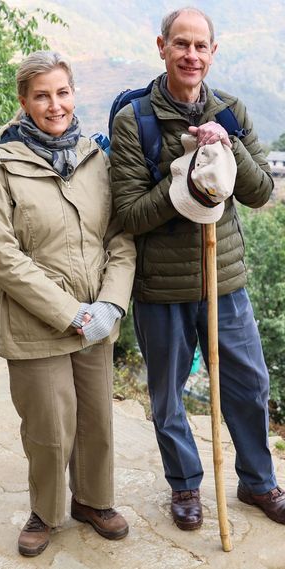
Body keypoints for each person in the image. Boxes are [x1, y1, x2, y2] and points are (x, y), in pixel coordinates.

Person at [110, 7, 285, 531]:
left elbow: (260, 193)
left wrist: (225, 147)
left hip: (222, 279)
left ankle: (258, 482)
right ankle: (185, 486)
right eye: (180, 44)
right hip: (160, 287)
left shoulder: (229, 109)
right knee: (167, 396)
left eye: (200, 46)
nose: (191, 55)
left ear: (212, 52)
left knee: (249, 385)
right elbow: (129, 214)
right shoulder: (134, 119)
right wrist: (186, 179)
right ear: (161, 47)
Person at [0, 50, 136, 557]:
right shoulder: (0, 166)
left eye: (62, 93)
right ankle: (46, 512)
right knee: (49, 426)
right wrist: (70, 313)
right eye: (42, 96)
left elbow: (120, 238)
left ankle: (93, 501)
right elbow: (1, 254)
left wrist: (110, 305)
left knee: (96, 420)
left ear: (74, 94)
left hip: (96, 318)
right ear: (23, 102)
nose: (54, 105)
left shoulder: (96, 158)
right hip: (39, 323)